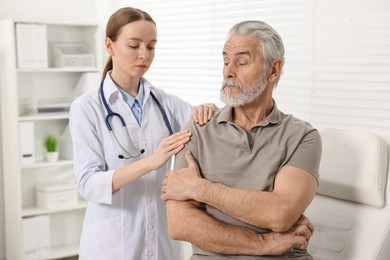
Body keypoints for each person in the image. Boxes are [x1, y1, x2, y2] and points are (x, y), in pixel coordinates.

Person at [161, 20, 322, 260]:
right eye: (225, 61)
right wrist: (263, 244)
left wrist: (199, 188)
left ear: (273, 70)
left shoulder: (302, 136)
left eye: (242, 62)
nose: (228, 71)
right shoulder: (198, 127)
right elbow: (180, 224)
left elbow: (281, 213)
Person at [69, 7, 216, 260]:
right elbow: (89, 184)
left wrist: (210, 109)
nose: (144, 55)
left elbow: (206, 127)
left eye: (151, 47)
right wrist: (151, 162)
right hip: (113, 244)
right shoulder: (87, 108)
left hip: (161, 239)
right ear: (109, 45)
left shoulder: (163, 102)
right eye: (134, 45)